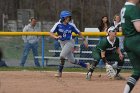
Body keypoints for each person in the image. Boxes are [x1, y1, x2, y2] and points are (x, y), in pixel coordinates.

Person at [49, 10, 89, 77]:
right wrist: (55, 37)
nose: (68, 19)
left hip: (69, 42)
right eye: (66, 17)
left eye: (69, 17)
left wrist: (84, 40)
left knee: (62, 56)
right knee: (72, 60)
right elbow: (50, 33)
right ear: (62, 18)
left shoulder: (71, 25)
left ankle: (59, 72)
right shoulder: (58, 24)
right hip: (62, 43)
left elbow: (79, 33)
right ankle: (86, 65)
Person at [120, 0, 140, 92]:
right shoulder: (133, 8)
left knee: (137, 71)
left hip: (127, 41)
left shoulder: (124, 8)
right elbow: (138, 28)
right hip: (136, 41)